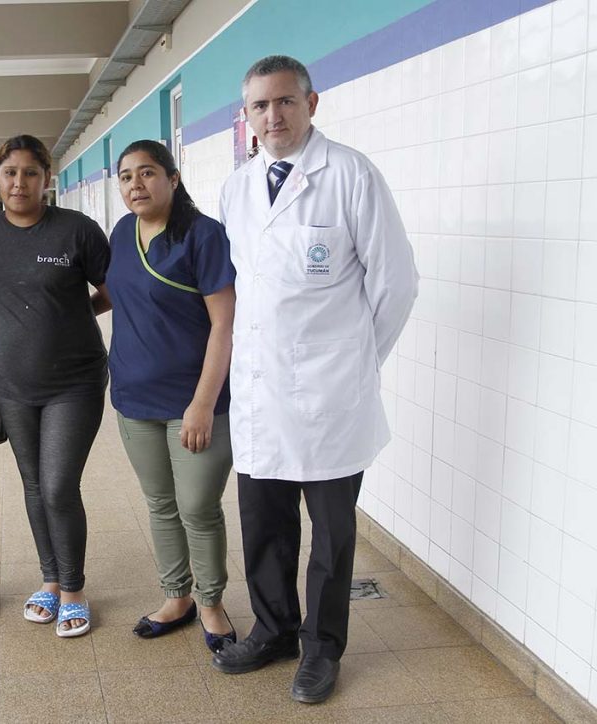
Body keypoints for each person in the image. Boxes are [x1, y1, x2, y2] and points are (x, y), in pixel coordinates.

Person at [215, 55, 418, 704]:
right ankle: (274, 630)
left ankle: (322, 648)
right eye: (259, 106)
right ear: (246, 116)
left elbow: (396, 283)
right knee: (264, 525)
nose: (272, 116)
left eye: (284, 101)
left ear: (311, 103)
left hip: (332, 397)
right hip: (259, 392)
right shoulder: (237, 188)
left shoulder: (351, 174)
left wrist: (356, 361)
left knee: (331, 537)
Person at [0, 135, 109, 637]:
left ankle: (73, 588)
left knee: (57, 485)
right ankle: (50, 579)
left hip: (75, 381)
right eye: (10, 173)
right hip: (11, 384)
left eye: (31, 173)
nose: (19, 183)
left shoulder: (76, 230)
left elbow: (112, 290)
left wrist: (71, 314)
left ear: (47, 179)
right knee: (33, 485)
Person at [106, 140, 237, 654]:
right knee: (161, 504)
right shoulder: (122, 233)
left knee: (197, 507)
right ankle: (177, 596)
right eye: (126, 177)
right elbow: (116, 294)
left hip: (193, 402)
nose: (135, 184)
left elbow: (224, 324)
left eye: (147, 173)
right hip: (134, 398)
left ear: (173, 178)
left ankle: (211, 602)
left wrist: (202, 403)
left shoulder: (203, 235)